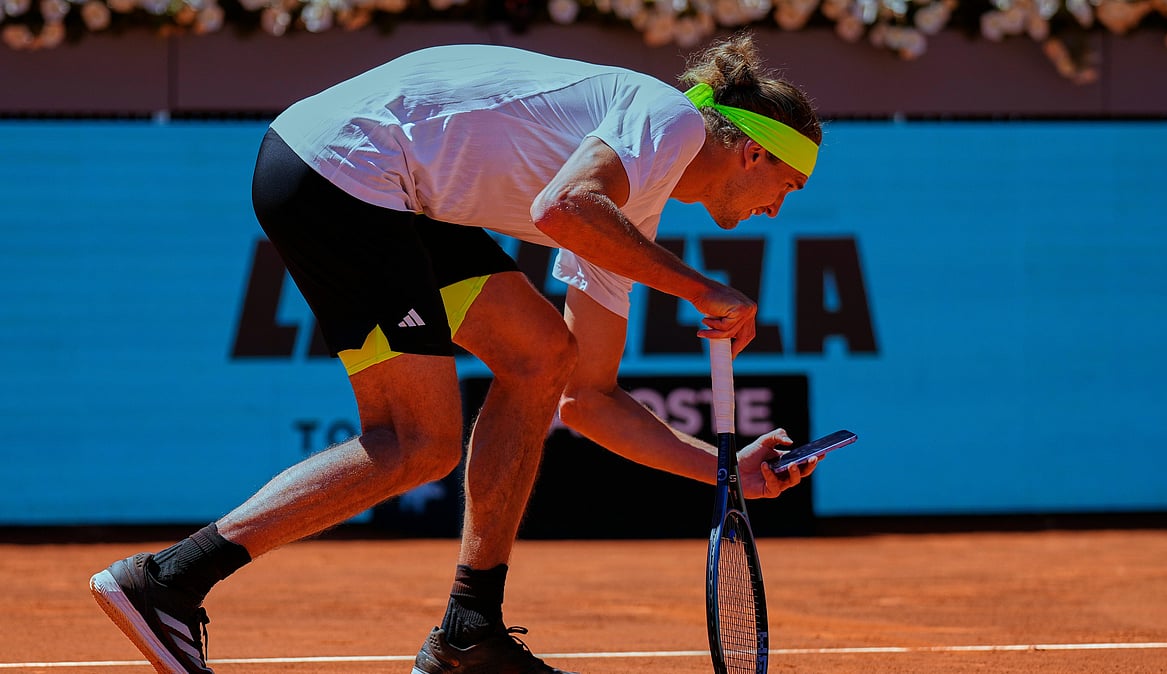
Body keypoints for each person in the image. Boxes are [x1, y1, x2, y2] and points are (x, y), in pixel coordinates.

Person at [89, 31, 824, 674]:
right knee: (418, 442)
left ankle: (470, 634)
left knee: (543, 358)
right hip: (339, 172)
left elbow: (587, 398)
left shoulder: (630, 199)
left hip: (390, 189)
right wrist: (700, 288)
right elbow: (562, 209)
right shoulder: (668, 122)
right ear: (751, 152)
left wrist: (724, 472)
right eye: (784, 186)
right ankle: (169, 581)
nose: (777, 208)